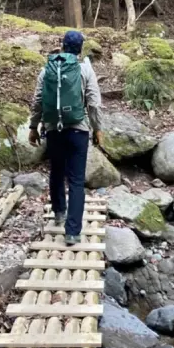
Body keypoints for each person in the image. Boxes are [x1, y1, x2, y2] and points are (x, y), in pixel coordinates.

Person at [28, 30, 103, 245]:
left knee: (57, 172)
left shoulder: (47, 70)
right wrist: (98, 129)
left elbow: (38, 101)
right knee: (77, 181)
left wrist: (34, 126)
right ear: (80, 49)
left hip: (54, 130)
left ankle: (59, 212)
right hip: (79, 130)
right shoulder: (86, 70)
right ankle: (72, 232)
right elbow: (94, 103)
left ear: (62, 46)